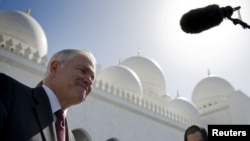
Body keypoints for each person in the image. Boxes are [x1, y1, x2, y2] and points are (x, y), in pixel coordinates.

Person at [0, 49, 96, 141]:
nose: (89, 81)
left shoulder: (71, 138)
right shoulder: (9, 92)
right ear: (55, 68)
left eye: (92, 78)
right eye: (82, 70)